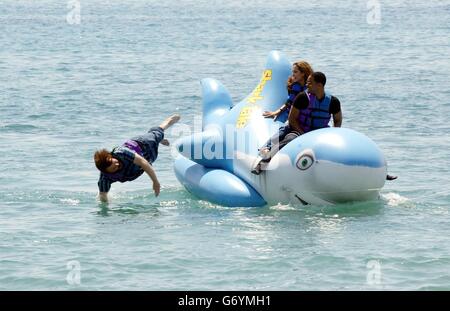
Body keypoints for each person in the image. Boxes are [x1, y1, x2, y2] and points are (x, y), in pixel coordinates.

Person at [252, 72, 342, 174]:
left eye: (310, 83)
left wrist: (334, 133)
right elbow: (292, 119)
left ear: (319, 85)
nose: (307, 85)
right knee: (289, 139)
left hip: (318, 134)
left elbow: (338, 120)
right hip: (298, 130)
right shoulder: (302, 97)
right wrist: (303, 134)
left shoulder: (333, 102)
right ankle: (262, 162)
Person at [94, 114, 180, 203]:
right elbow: (103, 195)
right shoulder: (105, 179)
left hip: (144, 144)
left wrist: (155, 182)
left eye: (114, 162)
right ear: (106, 171)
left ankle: (170, 121)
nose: (117, 164)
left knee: (158, 132)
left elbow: (143, 162)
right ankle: (160, 140)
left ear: (111, 157)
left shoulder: (121, 153)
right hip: (148, 159)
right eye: (113, 168)